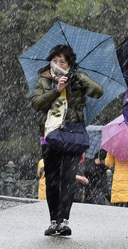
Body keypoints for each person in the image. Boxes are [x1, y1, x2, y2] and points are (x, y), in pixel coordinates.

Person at [30, 44, 104, 236]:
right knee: (52, 179)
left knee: (68, 178)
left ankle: (63, 220)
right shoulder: (44, 80)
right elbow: (36, 103)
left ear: (69, 63)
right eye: (54, 60)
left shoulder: (77, 78)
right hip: (50, 135)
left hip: (73, 134)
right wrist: (57, 90)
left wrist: (78, 79)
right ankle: (53, 219)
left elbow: (98, 92)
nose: (57, 64)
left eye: (62, 61)